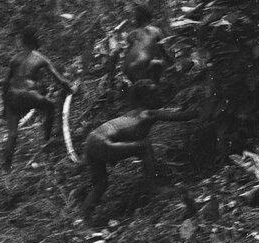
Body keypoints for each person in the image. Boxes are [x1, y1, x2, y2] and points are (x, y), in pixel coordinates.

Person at [80, 82, 196, 219]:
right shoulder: (148, 113)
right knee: (144, 146)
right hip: (103, 143)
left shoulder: (131, 113)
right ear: (147, 99)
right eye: (157, 94)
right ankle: (154, 187)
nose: (161, 97)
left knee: (100, 183)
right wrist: (198, 111)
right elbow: (179, 116)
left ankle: (84, 218)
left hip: (92, 139)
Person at [2, 26, 73, 170]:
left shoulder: (15, 58)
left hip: (12, 97)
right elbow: (60, 80)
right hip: (29, 95)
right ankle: (46, 141)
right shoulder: (40, 57)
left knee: (12, 134)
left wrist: (4, 106)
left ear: (23, 43)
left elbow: (5, 83)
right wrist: (71, 89)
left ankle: (5, 168)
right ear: (35, 41)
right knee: (50, 106)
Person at [122, 2, 172, 87]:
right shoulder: (155, 30)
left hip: (130, 74)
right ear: (149, 17)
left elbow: (127, 57)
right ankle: (156, 86)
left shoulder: (130, 35)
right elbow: (164, 54)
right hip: (145, 71)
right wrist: (174, 62)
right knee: (159, 63)